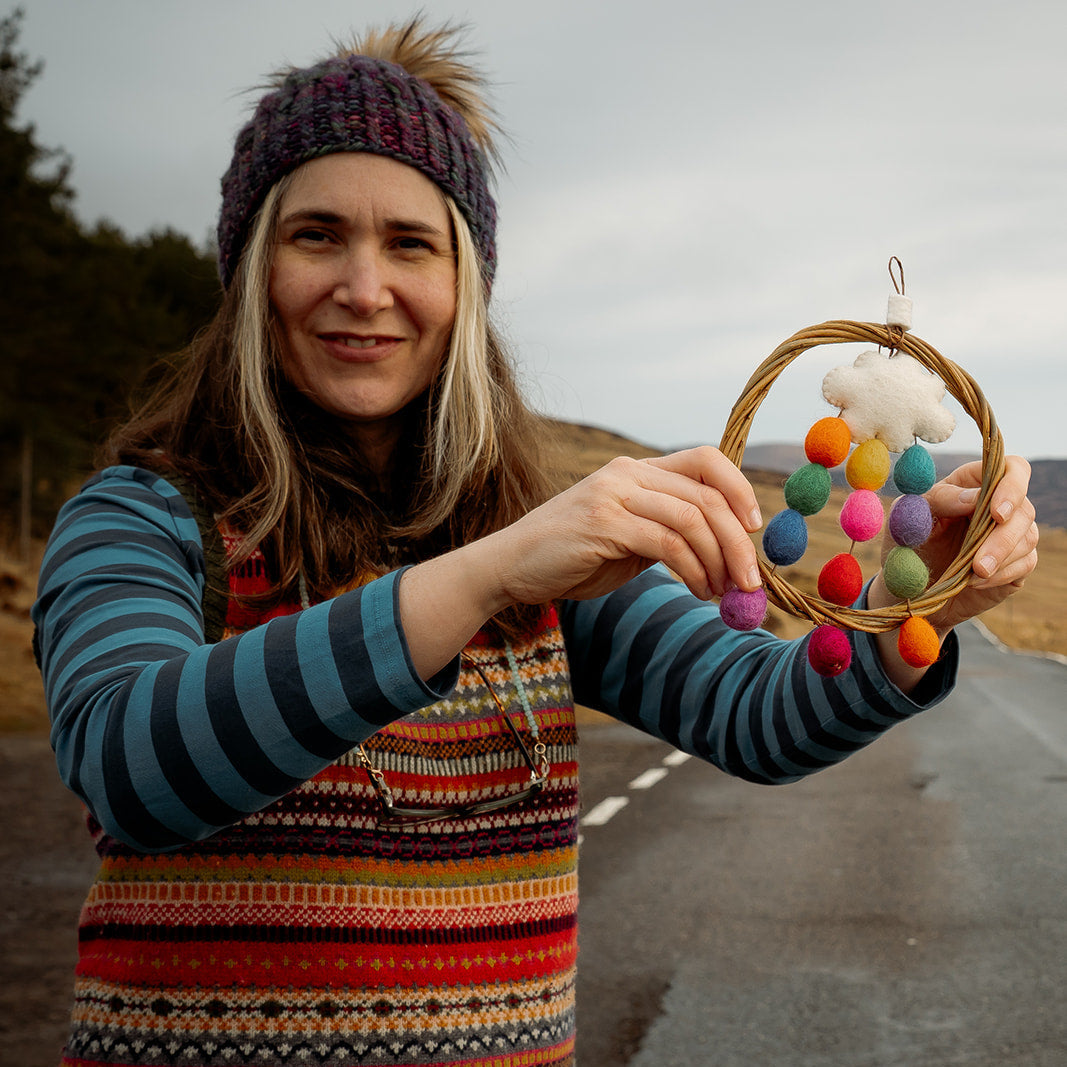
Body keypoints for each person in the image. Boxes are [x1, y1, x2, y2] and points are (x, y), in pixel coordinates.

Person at [32, 18, 1038, 1067]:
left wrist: (918, 605)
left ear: (466, 283)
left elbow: (757, 716)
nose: (364, 288)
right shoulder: (143, 516)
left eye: (410, 243)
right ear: (250, 268)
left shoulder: (523, 542)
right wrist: (480, 578)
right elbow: (129, 768)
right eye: (316, 234)